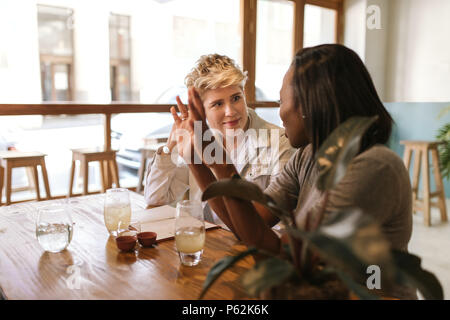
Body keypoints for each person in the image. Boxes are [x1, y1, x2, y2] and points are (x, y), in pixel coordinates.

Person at [170, 44, 414, 299]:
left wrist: (220, 164)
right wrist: (196, 161)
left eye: (282, 100)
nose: (280, 112)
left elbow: (283, 253)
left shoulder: (373, 167)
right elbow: (247, 225)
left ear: (311, 106)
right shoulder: (306, 156)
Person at [144, 54, 294, 229]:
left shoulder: (278, 143)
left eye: (236, 98)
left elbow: (281, 225)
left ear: (244, 95)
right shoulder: (200, 139)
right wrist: (170, 146)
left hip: (252, 247)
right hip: (207, 243)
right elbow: (156, 198)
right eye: (218, 104)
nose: (230, 111)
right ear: (201, 109)